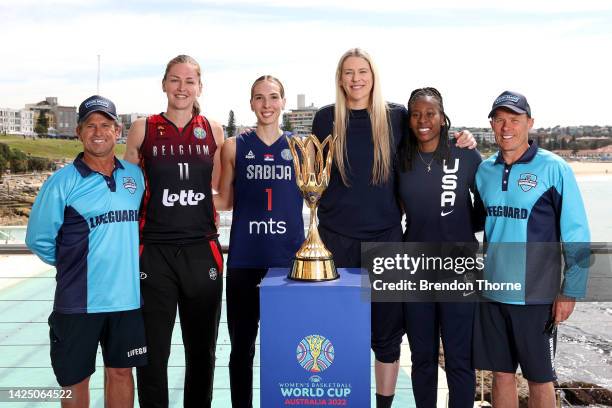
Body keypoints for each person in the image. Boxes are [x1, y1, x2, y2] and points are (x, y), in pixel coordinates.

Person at [311, 48, 476, 408]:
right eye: (349, 72)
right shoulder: (325, 120)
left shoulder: (396, 116)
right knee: (340, 332)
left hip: (387, 241)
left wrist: (462, 138)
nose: (356, 79)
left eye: (363, 72)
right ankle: (346, 400)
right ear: (340, 78)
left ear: (373, 76)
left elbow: (428, 134)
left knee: (386, 336)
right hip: (335, 241)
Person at [26, 95, 147, 408]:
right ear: (79, 132)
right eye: (90, 125)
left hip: (126, 300)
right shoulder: (61, 183)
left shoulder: (134, 176)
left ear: (117, 130)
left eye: (105, 124)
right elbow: (38, 239)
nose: (98, 131)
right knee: (74, 380)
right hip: (78, 302)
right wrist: (74, 264)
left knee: (121, 372)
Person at [473, 91, 590, 407]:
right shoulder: (484, 171)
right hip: (493, 292)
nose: (506, 127)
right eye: (499, 120)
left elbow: (577, 234)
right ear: (492, 125)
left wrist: (571, 291)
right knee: (501, 375)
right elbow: (475, 221)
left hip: (536, 295)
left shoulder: (554, 168)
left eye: (514, 119)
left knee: (540, 379)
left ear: (530, 123)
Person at [124, 55, 225, 408]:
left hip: (201, 250)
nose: (182, 88)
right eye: (175, 80)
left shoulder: (213, 130)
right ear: (164, 84)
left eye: (189, 81)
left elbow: (220, 191)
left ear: (199, 87)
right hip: (154, 251)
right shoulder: (143, 128)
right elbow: (127, 193)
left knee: (202, 353)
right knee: (152, 355)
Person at [214, 75, 304, 408]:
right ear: (251, 103)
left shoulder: (301, 147)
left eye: (273, 97)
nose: (267, 104)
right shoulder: (235, 146)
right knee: (241, 349)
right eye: (259, 98)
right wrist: (177, 201)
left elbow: (318, 196)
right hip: (244, 262)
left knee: (286, 347)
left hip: (288, 266)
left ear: (283, 102)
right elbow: (224, 200)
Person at [395, 87, 483, 407]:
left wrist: (460, 226)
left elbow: (487, 208)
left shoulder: (466, 153)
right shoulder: (401, 159)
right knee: (423, 358)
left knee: (460, 359)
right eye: (416, 114)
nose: (423, 120)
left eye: (430, 113)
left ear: (442, 117)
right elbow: (395, 209)